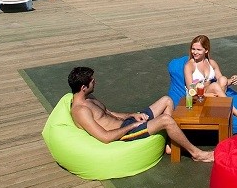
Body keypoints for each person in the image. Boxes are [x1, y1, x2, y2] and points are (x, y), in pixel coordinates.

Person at [67, 66, 214, 163]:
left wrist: (132, 115)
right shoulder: (80, 111)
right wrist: (132, 126)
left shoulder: (89, 98)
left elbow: (108, 113)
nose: (95, 82)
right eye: (92, 81)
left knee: (166, 100)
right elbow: (105, 137)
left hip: (128, 122)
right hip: (124, 133)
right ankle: (197, 154)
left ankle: (170, 145)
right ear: (83, 87)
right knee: (166, 120)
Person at [185, 35, 237, 130]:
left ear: (206, 50)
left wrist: (232, 80)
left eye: (199, 50)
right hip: (199, 97)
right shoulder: (189, 66)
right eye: (193, 49)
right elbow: (191, 89)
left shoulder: (211, 63)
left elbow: (222, 80)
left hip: (213, 94)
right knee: (215, 85)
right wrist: (206, 95)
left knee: (223, 79)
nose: (195, 52)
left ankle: (222, 111)